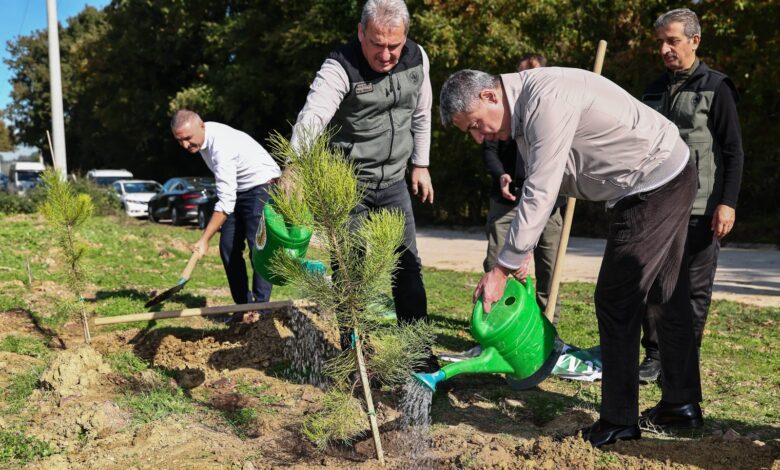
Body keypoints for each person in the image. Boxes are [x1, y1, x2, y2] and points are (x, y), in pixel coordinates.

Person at [439, 66, 702, 447]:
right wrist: (523, 252)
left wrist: (502, 266)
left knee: (616, 299)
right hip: (663, 174)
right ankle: (680, 405)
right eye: (472, 132)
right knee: (665, 295)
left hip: (653, 182)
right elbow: (546, 180)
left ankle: (618, 420)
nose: (480, 136)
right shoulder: (528, 109)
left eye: (476, 125)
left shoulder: (546, 99)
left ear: (490, 96)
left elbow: (541, 190)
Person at [290, 0, 433, 333]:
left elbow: (421, 113)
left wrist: (421, 164)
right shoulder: (340, 66)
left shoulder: (416, 58)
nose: (386, 55)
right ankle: (355, 347)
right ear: (361, 33)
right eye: (377, 44)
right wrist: (294, 164)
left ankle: (417, 349)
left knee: (407, 265)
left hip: (395, 181)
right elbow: (313, 116)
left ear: (406, 36)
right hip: (349, 183)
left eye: (394, 45)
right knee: (350, 269)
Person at [638, 8, 744, 383]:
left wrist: (726, 203)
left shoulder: (717, 87)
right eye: (661, 43)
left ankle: (683, 362)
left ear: (695, 41)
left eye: (673, 41)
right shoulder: (651, 89)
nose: (666, 49)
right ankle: (653, 356)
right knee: (654, 286)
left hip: (702, 208)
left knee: (694, 291)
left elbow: (733, 151)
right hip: (658, 208)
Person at [441, 53, 563, 364]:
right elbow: (489, 152)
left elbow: (545, 180)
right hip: (508, 198)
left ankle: (548, 333)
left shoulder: (547, 111)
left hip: (547, 199)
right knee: (499, 260)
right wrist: (502, 175)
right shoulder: (496, 120)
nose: (479, 134)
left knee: (549, 265)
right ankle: (496, 327)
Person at [171, 110, 281, 322]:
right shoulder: (202, 141)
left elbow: (225, 204)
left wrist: (203, 240)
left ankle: (260, 309)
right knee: (228, 248)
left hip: (262, 185)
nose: (185, 145)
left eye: (188, 138)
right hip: (239, 190)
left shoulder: (221, 146)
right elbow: (228, 197)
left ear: (201, 126)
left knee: (258, 247)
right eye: (180, 141)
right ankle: (243, 308)